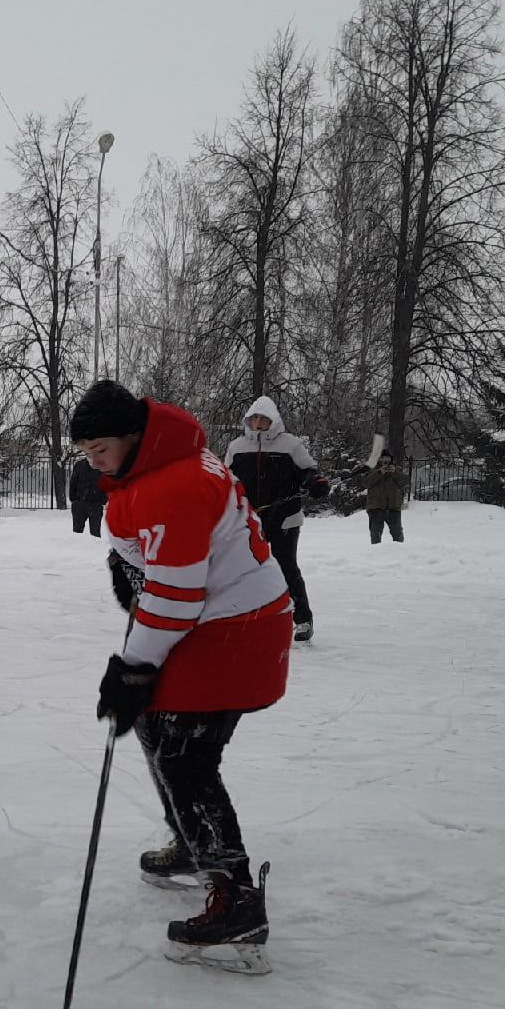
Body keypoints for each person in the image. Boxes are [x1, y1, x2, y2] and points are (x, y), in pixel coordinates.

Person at [71, 379, 294, 975]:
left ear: (134, 437)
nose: (94, 463)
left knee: (185, 757)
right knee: (158, 733)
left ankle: (235, 898)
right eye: (86, 454)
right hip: (216, 621)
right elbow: (150, 560)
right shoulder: (159, 464)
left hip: (235, 629)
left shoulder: (177, 481)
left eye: (99, 451)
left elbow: (174, 597)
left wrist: (133, 668)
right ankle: (194, 843)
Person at [222, 395, 330, 642]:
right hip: (249, 520)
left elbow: (308, 471)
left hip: (284, 518)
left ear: (274, 420)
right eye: (254, 418)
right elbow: (226, 480)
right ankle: (250, 617)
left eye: (263, 418)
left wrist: (315, 482)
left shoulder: (290, 445)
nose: (258, 423)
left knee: (286, 567)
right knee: (247, 570)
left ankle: (302, 619)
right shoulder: (237, 447)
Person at [364, 449, 407, 543]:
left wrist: (395, 472)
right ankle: (375, 553)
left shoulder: (397, 469)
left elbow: (405, 481)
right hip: (376, 506)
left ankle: (400, 553)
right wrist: (379, 473)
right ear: (379, 459)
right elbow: (365, 482)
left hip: (393, 506)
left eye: (387, 457)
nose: (385, 460)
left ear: (391, 459)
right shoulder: (373, 469)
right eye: (382, 457)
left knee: (397, 534)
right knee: (375, 534)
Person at [68, 455, 107, 536]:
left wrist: (103, 500)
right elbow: (73, 482)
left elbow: (107, 484)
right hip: (80, 503)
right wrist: (74, 500)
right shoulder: (80, 465)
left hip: (95, 504)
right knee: (77, 533)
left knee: (95, 533)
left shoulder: (102, 466)